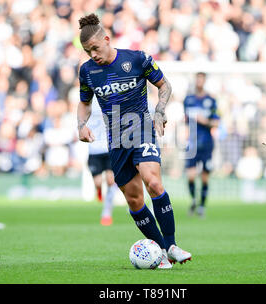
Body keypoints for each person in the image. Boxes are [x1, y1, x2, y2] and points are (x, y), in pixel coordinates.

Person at [76, 14, 191, 269]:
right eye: (87, 51)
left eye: (95, 48)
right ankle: (161, 252)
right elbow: (84, 102)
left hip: (141, 130)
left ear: (107, 39)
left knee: (153, 181)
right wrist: (81, 126)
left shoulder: (136, 59)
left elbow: (164, 86)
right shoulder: (87, 71)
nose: (92, 54)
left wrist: (160, 111)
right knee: (134, 200)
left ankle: (171, 244)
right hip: (115, 141)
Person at [183, 72, 219, 217]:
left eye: (201, 79)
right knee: (191, 176)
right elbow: (185, 121)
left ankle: (202, 206)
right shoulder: (188, 100)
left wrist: (204, 120)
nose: (199, 82)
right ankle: (193, 200)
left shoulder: (211, 100)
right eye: (197, 79)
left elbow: (216, 122)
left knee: (204, 177)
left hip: (206, 143)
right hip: (192, 143)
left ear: (204, 81)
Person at [87, 96, 118, 226]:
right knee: (98, 182)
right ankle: (98, 190)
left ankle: (107, 212)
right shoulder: (89, 101)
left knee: (111, 180)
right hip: (94, 149)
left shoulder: (111, 99)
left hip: (109, 148)